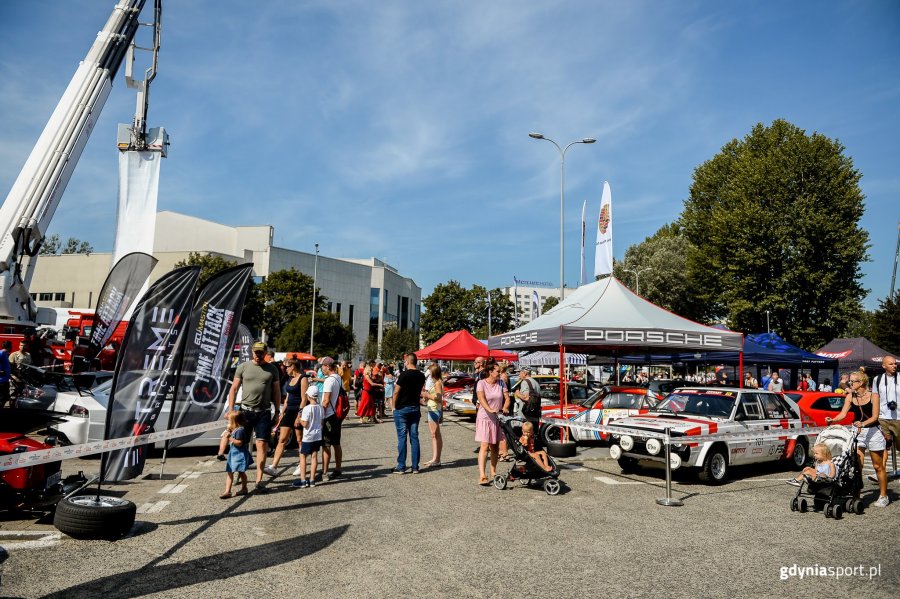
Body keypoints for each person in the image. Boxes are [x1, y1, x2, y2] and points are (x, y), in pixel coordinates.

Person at [826, 371, 889, 507]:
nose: (850, 383)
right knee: (857, 466)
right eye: (850, 381)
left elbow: (875, 417)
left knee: (878, 466)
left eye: (852, 381)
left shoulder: (874, 396)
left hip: (873, 432)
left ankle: (884, 495)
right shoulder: (850, 396)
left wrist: (863, 424)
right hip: (857, 432)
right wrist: (833, 420)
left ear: (861, 383)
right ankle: (856, 495)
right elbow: (843, 414)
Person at [227, 341, 282, 492]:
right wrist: (232, 410)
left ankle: (258, 481)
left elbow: (276, 392)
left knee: (261, 446)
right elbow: (233, 388)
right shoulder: (243, 367)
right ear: (252, 352)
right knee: (240, 444)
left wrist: (277, 412)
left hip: (264, 412)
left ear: (265, 353)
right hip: (245, 411)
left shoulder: (272, 369)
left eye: (261, 352)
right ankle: (241, 474)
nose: (258, 355)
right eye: (256, 352)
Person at [265, 358, 308, 476]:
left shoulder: (303, 378)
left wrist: (299, 415)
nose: (285, 369)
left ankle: (301, 464)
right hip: (289, 411)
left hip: (299, 411)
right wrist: (282, 412)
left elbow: (304, 398)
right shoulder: (290, 378)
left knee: (299, 440)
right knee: (282, 439)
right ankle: (274, 466)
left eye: (287, 367)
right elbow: (288, 398)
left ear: (293, 366)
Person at [390, 353, 426, 474]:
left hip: (402, 408)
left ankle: (401, 466)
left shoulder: (403, 375)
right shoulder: (421, 376)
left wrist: (393, 406)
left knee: (402, 437)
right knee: (414, 437)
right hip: (415, 408)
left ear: (407, 361)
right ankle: (415, 467)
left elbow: (396, 392)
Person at [475, 361, 508, 485]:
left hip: (497, 418)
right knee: (484, 446)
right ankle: (482, 475)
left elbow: (507, 398)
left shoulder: (501, 383)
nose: (500, 373)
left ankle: (493, 471)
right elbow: (481, 399)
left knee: (495, 446)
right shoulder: (481, 383)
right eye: (498, 371)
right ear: (490, 372)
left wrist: (505, 406)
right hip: (485, 417)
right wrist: (490, 409)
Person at [870, 355, 898, 483]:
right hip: (882, 417)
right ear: (884, 366)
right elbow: (875, 398)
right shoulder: (877, 379)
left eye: (895, 364)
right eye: (891, 364)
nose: (894, 366)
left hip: (898, 418)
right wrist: (874, 415)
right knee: (883, 446)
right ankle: (881, 472)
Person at [292, 385, 324, 488]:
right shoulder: (321, 408)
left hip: (308, 436)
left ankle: (303, 480)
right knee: (314, 456)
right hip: (317, 435)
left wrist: (300, 418)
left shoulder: (306, 409)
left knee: (303, 456)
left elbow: (305, 424)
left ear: (309, 396)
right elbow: (322, 422)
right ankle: (312, 480)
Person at [320, 357, 344, 480]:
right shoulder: (338, 378)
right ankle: (338, 469)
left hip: (329, 415)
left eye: (322, 366)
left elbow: (325, 401)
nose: (321, 368)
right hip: (337, 415)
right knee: (336, 443)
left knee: (326, 444)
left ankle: (324, 471)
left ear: (328, 366)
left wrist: (320, 416)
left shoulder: (329, 381)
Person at [221, 410, 251, 499]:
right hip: (233, 455)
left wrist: (229, 437)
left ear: (235, 422)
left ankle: (244, 488)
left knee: (241, 472)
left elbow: (239, 443)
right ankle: (228, 491)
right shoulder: (235, 429)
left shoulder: (240, 431)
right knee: (230, 472)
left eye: (230, 421)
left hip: (239, 455)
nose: (228, 422)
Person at [422, 363, 444, 467]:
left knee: (435, 434)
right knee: (434, 435)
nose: (429, 373)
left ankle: (437, 459)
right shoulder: (436, 383)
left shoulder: (438, 383)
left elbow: (439, 398)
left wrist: (427, 395)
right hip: (433, 409)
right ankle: (435, 458)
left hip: (434, 409)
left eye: (430, 371)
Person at [515, 368, 543, 447]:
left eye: (520, 373)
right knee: (532, 435)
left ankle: (526, 453)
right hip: (535, 412)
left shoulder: (525, 382)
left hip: (526, 414)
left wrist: (517, 393)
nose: (519, 375)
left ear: (525, 373)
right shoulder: (536, 382)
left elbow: (526, 397)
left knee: (525, 436)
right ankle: (534, 450)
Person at [0, 341, 11, 409]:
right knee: (1, 399)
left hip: (5, 380)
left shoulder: (5, 354)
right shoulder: (1, 353)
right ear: (9, 346)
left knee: (5, 399)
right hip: (1, 381)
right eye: (11, 346)